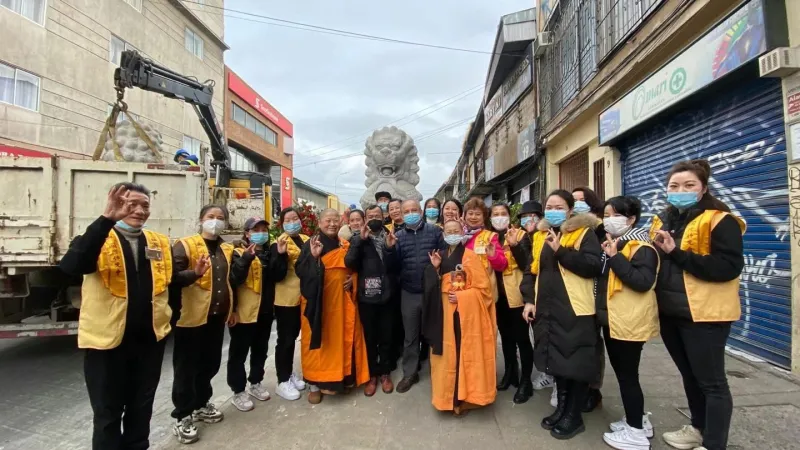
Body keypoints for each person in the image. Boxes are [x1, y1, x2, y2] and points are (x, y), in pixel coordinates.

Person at [59, 183, 200, 450]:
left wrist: (171, 318)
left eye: (144, 205)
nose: (138, 210)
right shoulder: (97, 238)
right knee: (107, 413)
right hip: (107, 343)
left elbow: (168, 283)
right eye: (130, 204)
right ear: (116, 206)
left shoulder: (158, 242)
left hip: (148, 342)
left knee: (141, 408)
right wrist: (105, 220)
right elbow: (72, 266)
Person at [650, 160, 745, 450]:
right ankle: (697, 428)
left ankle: (714, 444)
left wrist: (677, 253)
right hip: (671, 312)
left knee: (712, 383)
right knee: (690, 375)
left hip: (705, 314)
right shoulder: (663, 219)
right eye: (674, 186)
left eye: (689, 185)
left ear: (703, 187)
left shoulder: (720, 219)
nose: (680, 190)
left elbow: (728, 267)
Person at [523, 190, 603, 440]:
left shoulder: (584, 233)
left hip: (575, 310)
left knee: (575, 363)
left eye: (559, 206)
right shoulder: (542, 235)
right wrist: (528, 300)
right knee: (557, 360)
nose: (553, 210)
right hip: (547, 309)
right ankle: (562, 409)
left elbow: (592, 266)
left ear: (570, 209)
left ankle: (574, 416)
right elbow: (532, 270)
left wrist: (560, 250)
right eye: (549, 206)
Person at [594, 197, 659, 450]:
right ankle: (638, 420)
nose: (608, 219)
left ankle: (635, 435)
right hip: (616, 319)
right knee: (624, 375)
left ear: (631, 219)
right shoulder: (618, 243)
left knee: (628, 376)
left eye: (614, 214)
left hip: (629, 322)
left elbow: (642, 281)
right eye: (606, 214)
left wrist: (614, 258)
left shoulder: (640, 245)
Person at [170, 204, 234, 445]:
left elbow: (230, 281)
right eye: (211, 217)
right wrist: (194, 274)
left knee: (209, 364)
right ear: (201, 219)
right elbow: (172, 278)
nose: (215, 221)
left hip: (216, 316)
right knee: (186, 368)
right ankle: (182, 415)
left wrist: (232, 308)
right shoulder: (184, 245)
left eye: (220, 218)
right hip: (191, 318)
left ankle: (200, 404)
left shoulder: (226, 249)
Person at [296, 209, 370, 404]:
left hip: (341, 303)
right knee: (317, 343)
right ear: (319, 223)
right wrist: (313, 258)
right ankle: (314, 385)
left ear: (340, 223)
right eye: (327, 220)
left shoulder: (344, 244)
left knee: (340, 341)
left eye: (335, 220)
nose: (332, 224)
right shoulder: (311, 244)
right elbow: (300, 272)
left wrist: (353, 279)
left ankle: (340, 378)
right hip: (317, 303)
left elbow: (354, 269)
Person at [422, 220, 496, 415]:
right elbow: (432, 286)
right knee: (446, 355)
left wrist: (463, 296)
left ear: (462, 232)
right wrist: (436, 269)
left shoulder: (470, 257)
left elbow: (484, 290)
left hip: (463, 315)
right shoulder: (441, 254)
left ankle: (463, 398)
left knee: (462, 354)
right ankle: (447, 397)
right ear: (443, 233)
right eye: (448, 231)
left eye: (456, 230)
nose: (452, 233)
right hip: (443, 313)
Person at [226, 217, 289, 412]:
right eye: (256, 229)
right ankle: (238, 391)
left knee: (260, 350)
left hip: (265, 311)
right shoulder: (237, 253)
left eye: (263, 229)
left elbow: (278, 276)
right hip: (244, 312)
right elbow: (234, 279)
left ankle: (255, 382)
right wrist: (246, 259)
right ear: (247, 233)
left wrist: (280, 255)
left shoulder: (269, 253)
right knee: (238, 354)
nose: (260, 232)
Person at [385, 199, 445, 393]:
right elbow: (392, 267)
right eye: (407, 211)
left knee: (435, 333)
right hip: (409, 292)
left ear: (421, 211)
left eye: (414, 209)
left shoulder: (435, 232)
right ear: (402, 214)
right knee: (410, 336)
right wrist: (389, 249)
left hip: (432, 292)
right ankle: (410, 373)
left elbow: (444, 258)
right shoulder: (399, 236)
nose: (411, 213)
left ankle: (440, 372)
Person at [345, 205, 395, 396]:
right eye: (370, 216)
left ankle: (385, 373)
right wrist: (360, 241)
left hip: (388, 295)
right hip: (367, 296)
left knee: (387, 337)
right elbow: (349, 263)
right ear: (365, 219)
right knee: (370, 337)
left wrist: (390, 249)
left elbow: (397, 265)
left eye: (377, 215)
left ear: (384, 217)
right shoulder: (358, 239)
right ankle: (372, 374)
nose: (374, 218)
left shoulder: (391, 235)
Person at [490, 203, 535, 404]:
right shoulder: (489, 237)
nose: (499, 217)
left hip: (516, 296)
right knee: (506, 339)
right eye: (495, 214)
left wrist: (515, 245)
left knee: (522, 339)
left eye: (503, 214)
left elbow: (528, 264)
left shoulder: (520, 234)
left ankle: (526, 382)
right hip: (497, 297)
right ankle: (510, 374)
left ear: (510, 216)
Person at [572, 186, 606, 412]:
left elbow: (595, 263)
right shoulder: (569, 228)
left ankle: (593, 390)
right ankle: (577, 386)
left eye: (581, 201)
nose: (577, 206)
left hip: (595, 294)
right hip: (575, 296)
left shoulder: (600, 229)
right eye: (573, 201)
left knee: (593, 344)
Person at [272, 207, 310, 401]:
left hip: (305, 297)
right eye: (288, 219)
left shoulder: (305, 239)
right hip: (286, 299)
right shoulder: (278, 242)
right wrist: (279, 255)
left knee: (298, 338)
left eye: (295, 218)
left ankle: (291, 373)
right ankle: (282, 380)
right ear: (282, 223)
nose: (293, 221)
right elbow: (276, 274)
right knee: (286, 340)